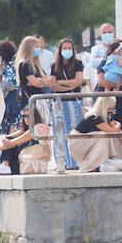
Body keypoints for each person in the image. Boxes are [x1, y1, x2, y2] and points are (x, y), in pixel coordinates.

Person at [49, 38, 85, 170]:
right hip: (60, 102)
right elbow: (52, 84)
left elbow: (78, 81)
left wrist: (61, 83)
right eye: (65, 48)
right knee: (60, 131)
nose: (67, 51)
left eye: (70, 48)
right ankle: (62, 162)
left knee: (74, 130)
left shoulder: (78, 63)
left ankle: (75, 162)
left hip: (74, 101)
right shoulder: (54, 66)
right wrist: (68, 84)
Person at [70, 96, 122, 172]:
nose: (112, 110)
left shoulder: (105, 115)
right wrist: (119, 124)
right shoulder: (94, 117)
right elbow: (112, 131)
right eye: (111, 108)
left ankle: (116, 159)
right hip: (78, 143)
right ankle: (89, 166)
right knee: (104, 136)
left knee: (112, 137)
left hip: (87, 141)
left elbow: (117, 132)